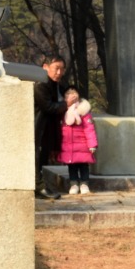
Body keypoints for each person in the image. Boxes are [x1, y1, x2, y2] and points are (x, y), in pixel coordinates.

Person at [34, 54, 69, 199]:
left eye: (62, 69)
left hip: (47, 129)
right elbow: (48, 107)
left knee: (42, 158)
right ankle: (39, 187)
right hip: (37, 127)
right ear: (45, 67)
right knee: (36, 157)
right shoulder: (40, 85)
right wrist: (67, 104)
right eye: (56, 68)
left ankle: (41, 186)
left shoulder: (58, 86)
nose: (59, 72)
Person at [58, 88, 98, 195]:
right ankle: (74, 183)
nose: (72, 96)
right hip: (69, 145)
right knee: (72, 166)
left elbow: (89, 129)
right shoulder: (63, 111)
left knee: (84, 165)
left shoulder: (83, 111)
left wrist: (92, 144)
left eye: (74, 93)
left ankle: (84, 183)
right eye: (69, 94)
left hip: (82, 145)